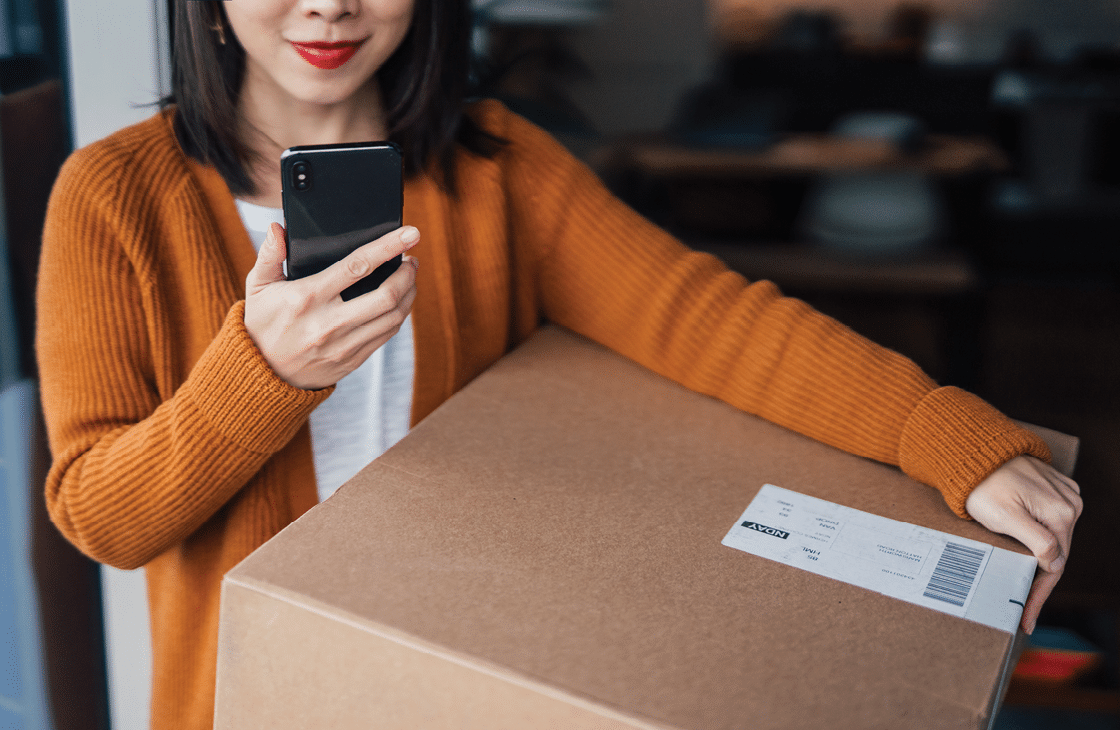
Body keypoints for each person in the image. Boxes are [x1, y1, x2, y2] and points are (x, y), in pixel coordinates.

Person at [36, 1, 1082, 729]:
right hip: (251, 701)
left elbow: (707, 317)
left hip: (477, 679)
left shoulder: (500, 167)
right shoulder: (112, 198)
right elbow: (101, 518)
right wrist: (258, 373)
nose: (330, 6)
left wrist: (945, 435)